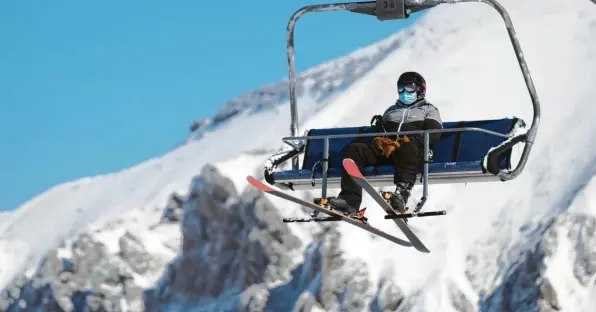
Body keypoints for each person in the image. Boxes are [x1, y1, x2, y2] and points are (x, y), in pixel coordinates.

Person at [328, 71, 443, 216]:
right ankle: (350, 200)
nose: (404, 92)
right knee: (355, 149)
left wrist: (406, 140)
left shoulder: (429, 110)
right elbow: (380, 136)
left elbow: (433, 133)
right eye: (400, 88)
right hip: (389, 152)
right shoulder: (391, 111)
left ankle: (401, 195)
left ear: (420, 89)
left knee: (406, 146)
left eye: (409, 88)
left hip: (413, 152)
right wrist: (379, 139)